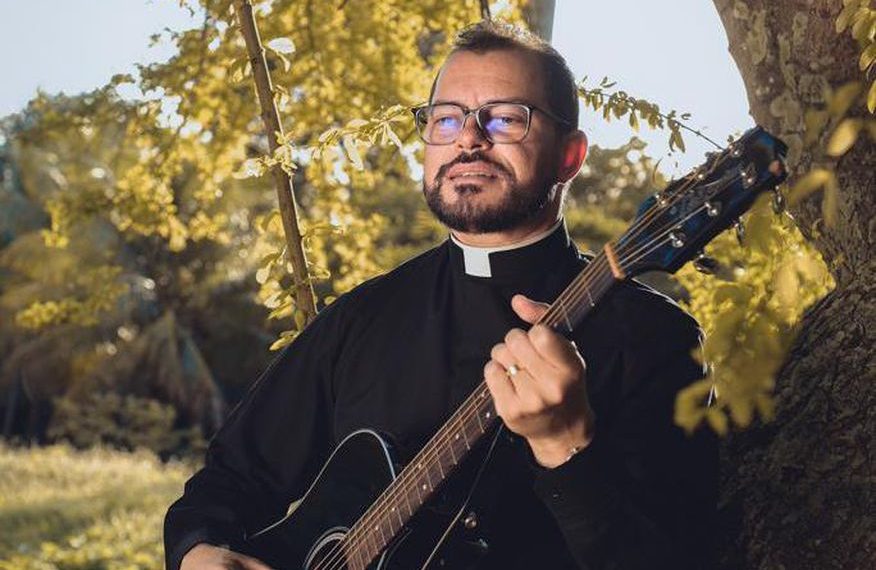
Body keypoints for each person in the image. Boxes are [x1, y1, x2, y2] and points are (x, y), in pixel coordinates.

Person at [165, 21, 717, 570]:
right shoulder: (361, 318)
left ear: (569, 157)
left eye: (505, 118)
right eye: (446, 118)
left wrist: (564, 448)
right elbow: (229, 480)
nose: (468, 138)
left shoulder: (654, 339)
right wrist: (200, 550)